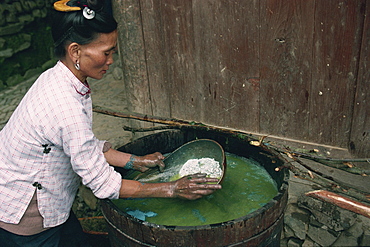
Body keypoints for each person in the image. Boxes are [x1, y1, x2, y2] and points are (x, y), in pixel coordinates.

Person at [0, 0, 222, 246]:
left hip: (50, 205)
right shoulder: (64, 105)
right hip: (25, 214)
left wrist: (136, 162)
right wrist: (172, 189)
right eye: (106, 52)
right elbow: (103, 183)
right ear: (75, 51)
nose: (111, 61)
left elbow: (84, 146)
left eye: (113, 52)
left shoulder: (60, 78)